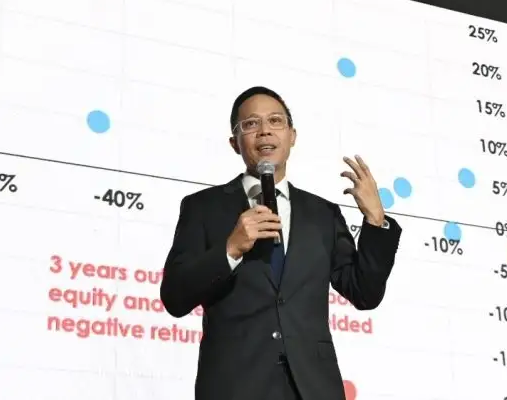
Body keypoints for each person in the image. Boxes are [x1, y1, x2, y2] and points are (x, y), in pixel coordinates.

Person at [160, 86, 402, 400]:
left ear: (292, 136)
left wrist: (375, 220)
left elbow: (365, 293)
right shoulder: (203, 207)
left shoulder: (323, 214)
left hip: (313, 388)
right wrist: (230, 249)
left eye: (275, 121)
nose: (264, 131)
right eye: (251, 124)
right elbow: (174, 297)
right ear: (235, 143)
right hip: (235, 387)